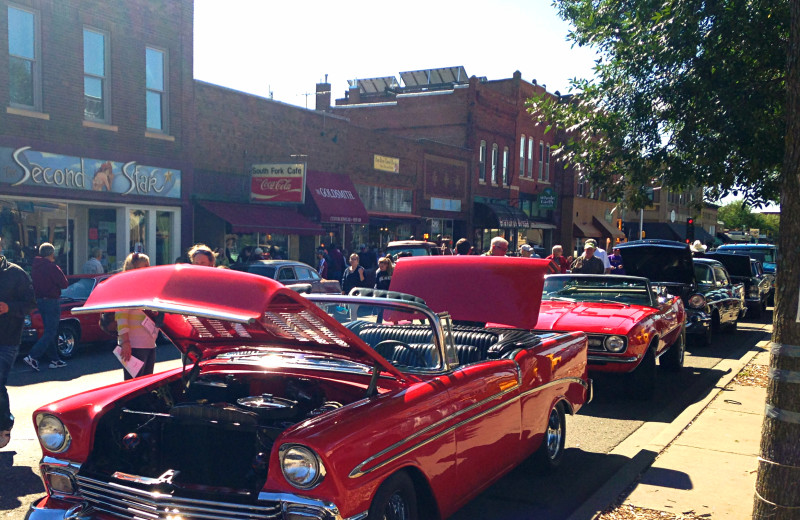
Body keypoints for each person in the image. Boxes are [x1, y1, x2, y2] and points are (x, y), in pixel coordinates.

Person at [0, 237, 36, 449]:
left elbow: (31, 303)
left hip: (7, 339)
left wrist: (9, 307)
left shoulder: (16, 273)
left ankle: (4, 425)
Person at [23, 243, 69, 371]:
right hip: (51, 300)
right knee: (51, 331)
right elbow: (64, 283)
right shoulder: (52, 267)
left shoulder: (35, 266)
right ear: (51, 253)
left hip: (40, 301)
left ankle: (55, 359)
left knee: (48, 331)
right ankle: (33, 356)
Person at [116, 253, 159, 380]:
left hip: (150, 343)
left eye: (149, 264)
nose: (148, 267)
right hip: (134, 345)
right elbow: (121, 316)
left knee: (146, 386)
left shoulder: (147, 286)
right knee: (133, 387)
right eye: (145, 265)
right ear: (134, 267)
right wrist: (125, 342)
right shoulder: (126, 287)